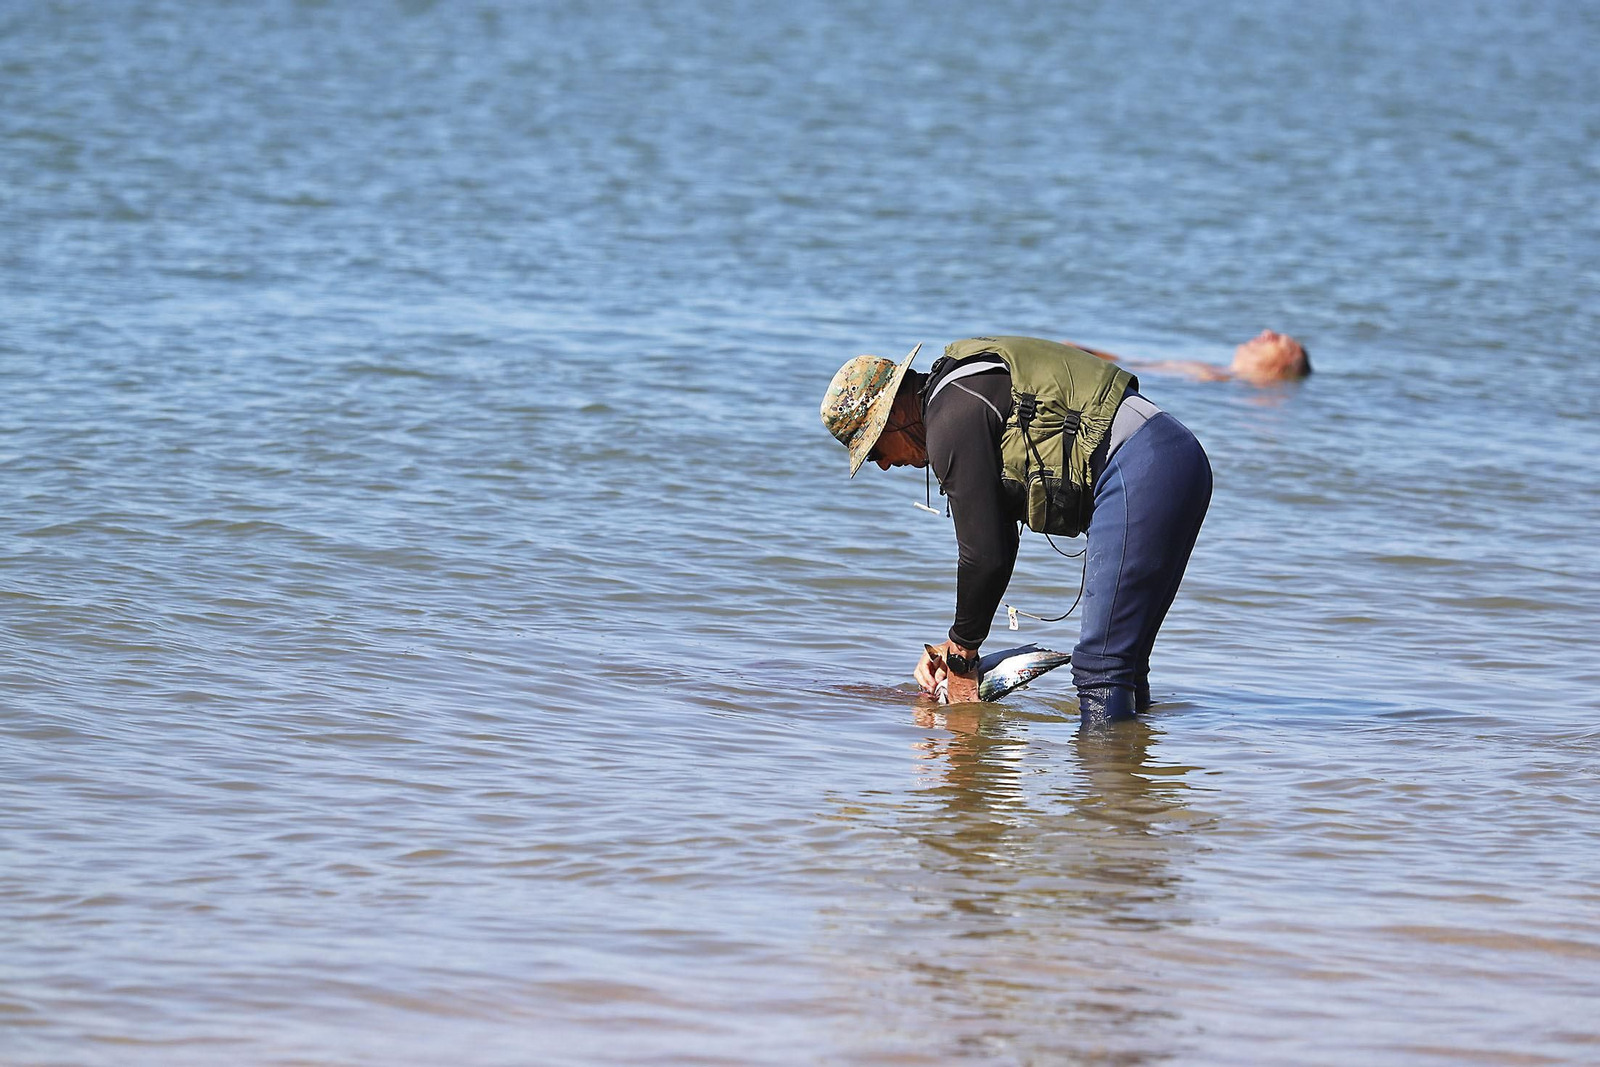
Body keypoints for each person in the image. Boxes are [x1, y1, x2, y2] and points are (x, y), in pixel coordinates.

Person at [820, 337, 1212, 725]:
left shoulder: (950, 417)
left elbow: (985, 555)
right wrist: (959, 642)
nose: (884, 465)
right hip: (1172, 459)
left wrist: (961, 658)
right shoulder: (962, 389)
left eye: (873, 451)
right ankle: (1131, 777)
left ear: (891, 417)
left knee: (1102, 667)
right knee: (1122, 664)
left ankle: (1101, 785)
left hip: (1142, 467)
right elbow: (998, 543)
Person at [1071, 329, 1311, 385]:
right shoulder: (1212, 369)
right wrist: (1085, 350)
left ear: (1284, 367)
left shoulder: (1217, 379)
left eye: (1280, 340)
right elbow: (1130, 363)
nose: (1268, 333)